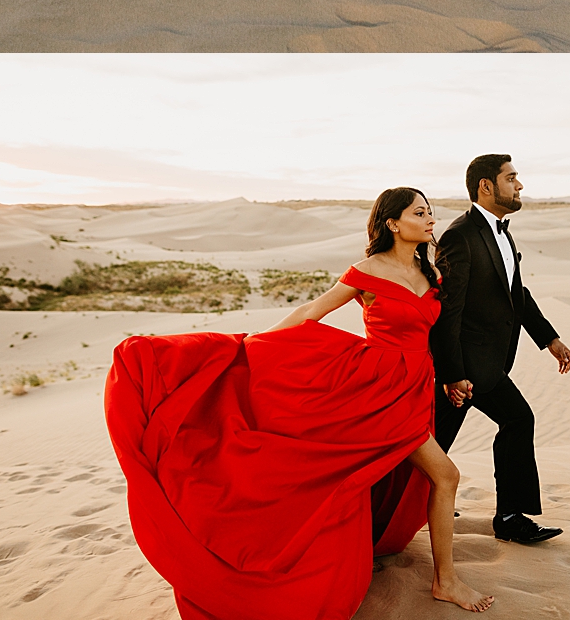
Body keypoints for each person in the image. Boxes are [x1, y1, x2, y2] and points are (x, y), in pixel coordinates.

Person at [104, 187, 494, 617]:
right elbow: (313, 311)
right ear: (393, 223)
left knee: (426, 476)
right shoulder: (367, 271)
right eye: (420, 212)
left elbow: (436, 336)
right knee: (443, 475)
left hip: (414, 387)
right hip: (372, 390)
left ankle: (429, 570)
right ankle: (446, 581)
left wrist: (450, 380)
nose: (430, 219)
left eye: (431, 212)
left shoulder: (432, 274)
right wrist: (254, 344)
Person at [431, 153, 570, 543]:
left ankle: (410, 505)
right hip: (467, 366)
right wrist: (452, 373)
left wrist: (549, 338)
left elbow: (516, 293)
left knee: (431, 443)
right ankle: (510, 518)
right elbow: (448, 310)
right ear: (486, 186)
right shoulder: (460, 235)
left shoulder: (502, 233)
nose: (520, 185)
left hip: (486, 363)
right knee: (516, 420)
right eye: (512, 178)